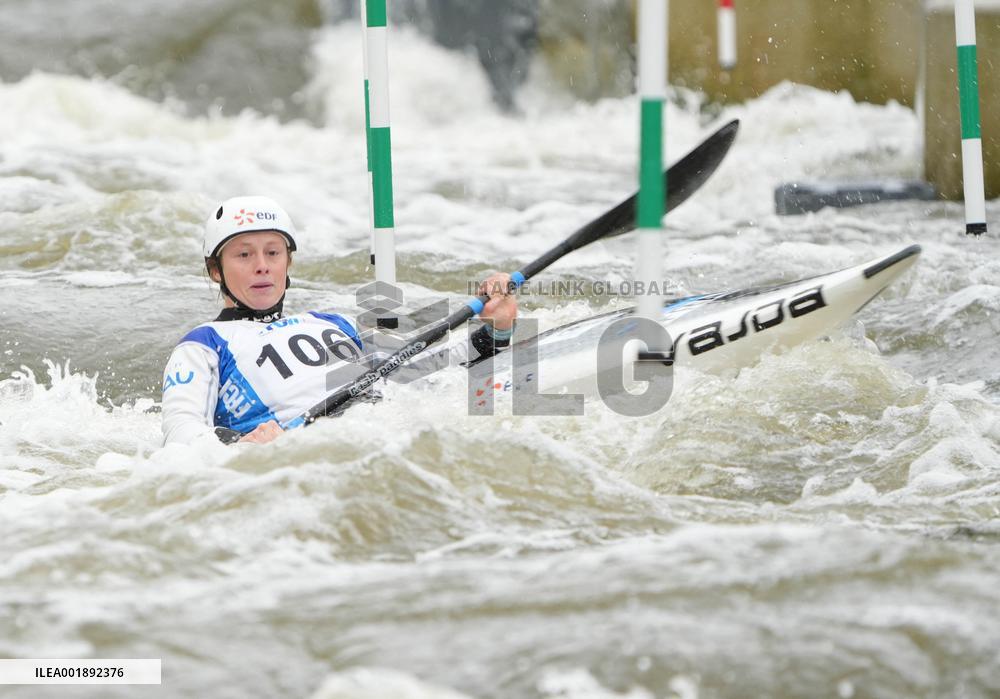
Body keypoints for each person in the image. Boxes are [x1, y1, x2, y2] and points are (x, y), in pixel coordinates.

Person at [161, 195, 517, 445]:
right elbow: (181, 434)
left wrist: (497, 328)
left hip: (382, 432)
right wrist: (241, 443)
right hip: (299, 454)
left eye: (273, 252)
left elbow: (420, 378)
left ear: (289, 263)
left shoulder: (331, 323)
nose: (262, 265)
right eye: (243, 254)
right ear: (214, 271)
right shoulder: (204, 343)